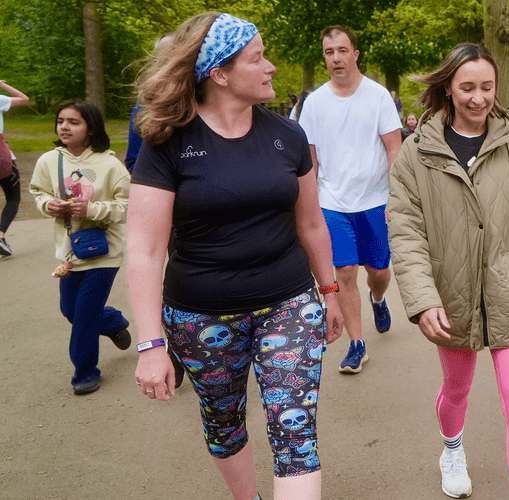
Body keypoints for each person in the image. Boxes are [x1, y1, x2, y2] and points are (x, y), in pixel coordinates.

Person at [126, 13, 343, 499]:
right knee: (224, 425)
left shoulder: (287, 136)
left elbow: (311, 224)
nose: (270, 67)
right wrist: (150, 344)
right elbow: (144, 250)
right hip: (199, 315)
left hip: (289, 304)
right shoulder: (167, 143)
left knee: (296, 435)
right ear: (219, 73)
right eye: (257, 57)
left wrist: (330, 292)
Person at [389, 42, 509, 500]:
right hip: (449, 301)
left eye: (487, 87)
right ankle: (452, 448)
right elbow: (406, 233)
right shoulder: (416, 154)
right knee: (456, 390)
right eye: (467, 87)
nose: (478, 97)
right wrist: (422, 297)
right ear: (449, 89)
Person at [298, 25, 404, 374]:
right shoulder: (313, 104)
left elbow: (394, 148)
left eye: (342, 50)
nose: (336, 58)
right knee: (344, 271)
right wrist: (309, 204)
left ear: (355, 54)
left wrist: (395, 196)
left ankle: (378, 298)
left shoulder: (377, 97)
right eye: (329, 52)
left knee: (379, 270)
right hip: (332, 202)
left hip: (374, 201)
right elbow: (309, 161)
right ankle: (357, 345)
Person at [28, 101, 131, 395]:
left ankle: (85, 372)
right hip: (70, 251)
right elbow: (38, 192)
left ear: (91, 129)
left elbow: (127, 206)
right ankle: (113, 321)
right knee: (70, 310)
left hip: (105, 250)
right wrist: (49, 205)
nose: (64, 127)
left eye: (74, 122)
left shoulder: (110, 165)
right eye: (61, 121)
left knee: (84, 315)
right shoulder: (49, 161)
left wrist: (93, 209)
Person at [125, 32, 174, 172]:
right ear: (156, 62)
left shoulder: (208, 100)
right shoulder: (144, 107)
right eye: (168, 55)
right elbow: (134, 161)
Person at [0, 79, 29, 256]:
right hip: (2, 157)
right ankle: (0, 236)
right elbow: (23, 98)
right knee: (13, 198)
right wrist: (2, 85)